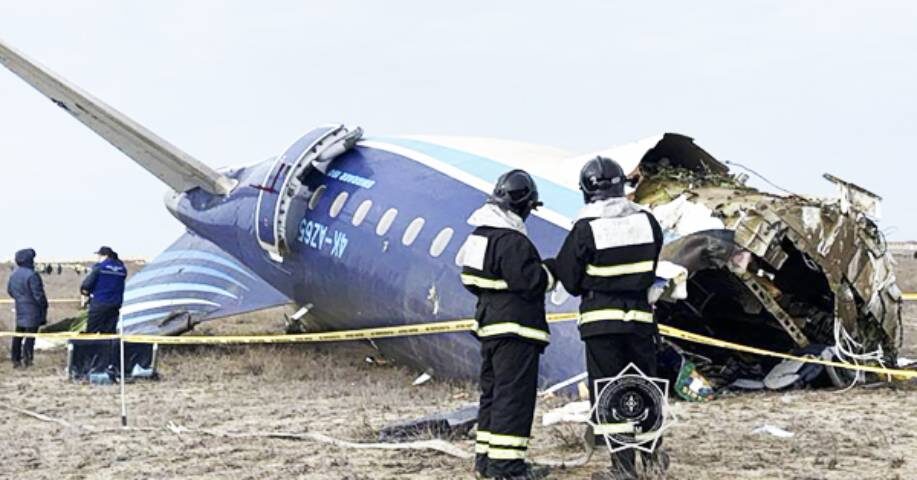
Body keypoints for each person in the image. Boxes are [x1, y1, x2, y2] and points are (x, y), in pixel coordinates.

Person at [553, 157, 667, 480]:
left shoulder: (585, 228)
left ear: (587, 191)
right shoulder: (647, 222)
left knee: (610, 391)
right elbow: (651, 267)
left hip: (602, 324)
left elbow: (570, 278)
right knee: (645, 387)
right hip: (641, 321)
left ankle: (623, 468)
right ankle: (652, 457)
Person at [458, 170, 556, 480]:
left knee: (493, 394)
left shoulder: (479, 236)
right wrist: (552, 270)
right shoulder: (512, 240)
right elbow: (530, 282)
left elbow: (470, 280)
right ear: (524, 205)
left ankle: (486, 462)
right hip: (516, 331)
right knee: (514, 398)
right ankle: (507, 468)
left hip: (490, 328)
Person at [6, 249, 48, 367]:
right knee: (30, 336)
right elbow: (38, 295)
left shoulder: (14, 274)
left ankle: (15, 359)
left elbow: (10, 290)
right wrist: (44, 306)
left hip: (20, 308)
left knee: (18, 334)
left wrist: (20, 299)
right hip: (33, 310)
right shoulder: (32, 275)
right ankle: (28, 359)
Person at [80, 246, 127, 333]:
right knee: (109, 332)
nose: (98, 258)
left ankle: (90, 346)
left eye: (99, 256)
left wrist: (85, 292)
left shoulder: (100, 267)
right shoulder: (122, 269)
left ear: (105, 256)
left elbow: (86, 285)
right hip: (115, 304)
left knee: (92, 331)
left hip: (99, 303)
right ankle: (108, 346)